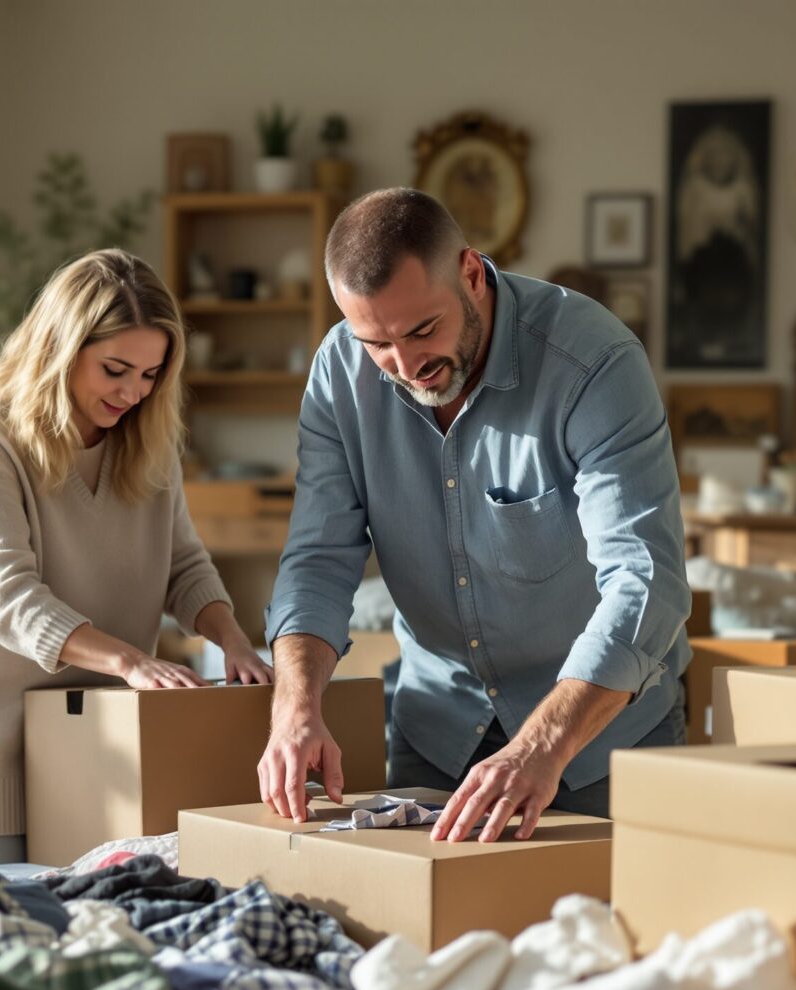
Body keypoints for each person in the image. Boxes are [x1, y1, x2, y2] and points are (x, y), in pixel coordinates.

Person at [258, 188, 690, 844]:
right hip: (437, 737)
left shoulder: (593, 361)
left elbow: (646, 580)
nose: (407, 367)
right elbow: (317, 559)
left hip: (600, 743)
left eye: (423, 330)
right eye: (377, 343)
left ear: (470, 271)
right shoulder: (339, 373)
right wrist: (295, 707)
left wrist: (539, 745)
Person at [0, 250, 271, 863]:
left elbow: (184, 565)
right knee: (7, 927)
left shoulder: (149, 440)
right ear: (59, 348)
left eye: (151, 374)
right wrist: (131, 662)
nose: (134, 391)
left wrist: (234, 642)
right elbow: (9, 598)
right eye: (115, 369)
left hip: (103, 730)